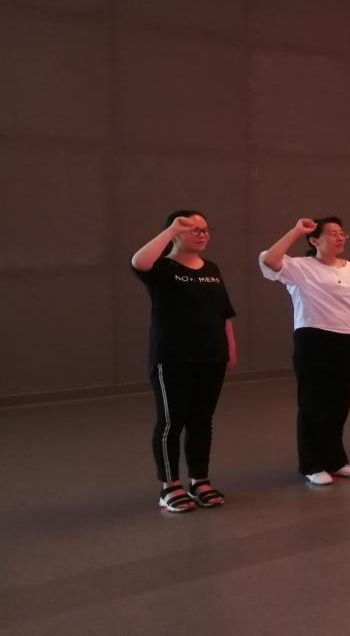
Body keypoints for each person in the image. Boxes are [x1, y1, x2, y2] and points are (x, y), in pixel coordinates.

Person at [131, 210, 237, 513]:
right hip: (172, 357)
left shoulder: (212, 268)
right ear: (176, 233)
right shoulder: (162, 268)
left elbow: (223, 312)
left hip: (211, 356)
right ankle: (169, 486)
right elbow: (138, 262)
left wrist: (229, 345)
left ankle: (199, 480)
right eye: (194, 230)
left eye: (205, 229)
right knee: (171, 422)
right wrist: (170, 232)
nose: (202, 234)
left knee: (202, 421)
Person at [260, 217, 350, 486]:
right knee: (313, 404)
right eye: (332, 233)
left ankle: (335, 460)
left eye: (342, 233)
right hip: (314, 339)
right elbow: (269, 260)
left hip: (347, 340)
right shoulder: (300, 267)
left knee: (339, 404)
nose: (339, 237)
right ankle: (312, 464)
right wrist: (297, 230)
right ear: (314, 240)